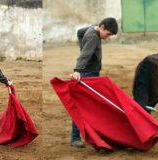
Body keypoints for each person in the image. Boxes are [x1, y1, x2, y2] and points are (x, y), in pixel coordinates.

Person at [70, 17, 118, 148]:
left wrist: (82, 45)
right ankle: (75, 137)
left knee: (92, 105)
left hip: (91, 73)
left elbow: (80, 32)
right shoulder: (93, 37)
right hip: (87, 74)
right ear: (101, 27)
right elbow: (85, 55)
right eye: (107, 34)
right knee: (83, 106)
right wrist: (77, 70)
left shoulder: (93, 28)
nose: (107, 37)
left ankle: (93, 133)